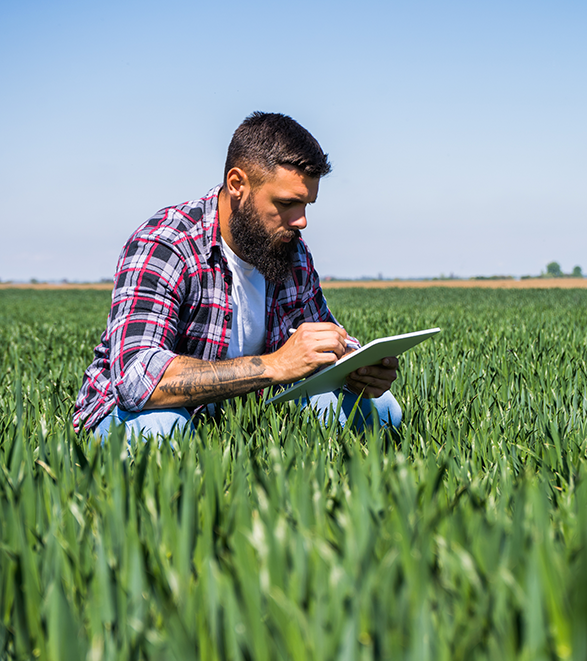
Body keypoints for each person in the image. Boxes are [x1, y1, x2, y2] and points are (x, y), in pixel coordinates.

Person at [73, 112, 401, 439]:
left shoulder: (289, 251)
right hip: (134, 413)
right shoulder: (165, 245)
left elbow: (319, 337)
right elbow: (137, 379)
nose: (301, 221)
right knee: (163, 428)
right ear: (237, 184)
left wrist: (357, 366)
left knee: (382, 408)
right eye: (287, 203)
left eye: (307, 205)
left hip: (244, 414)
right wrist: (274, 365)